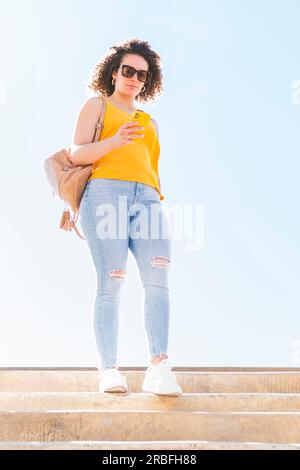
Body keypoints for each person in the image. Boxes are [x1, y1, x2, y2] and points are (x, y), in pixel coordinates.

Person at [70, 38, 182, 396]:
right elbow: (76, 154)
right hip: (105, 195)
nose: (134, 78)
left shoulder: (150, 121)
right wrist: (114, 141)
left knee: (158, 277)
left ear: (148, 81)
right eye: (128, 71)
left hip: (147, 199)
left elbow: (151, 166)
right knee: (113, 279)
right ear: (114, 73)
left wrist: (153, 197)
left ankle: (159, 366)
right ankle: (109, 370)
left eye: (142, 74)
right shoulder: (97, 105)